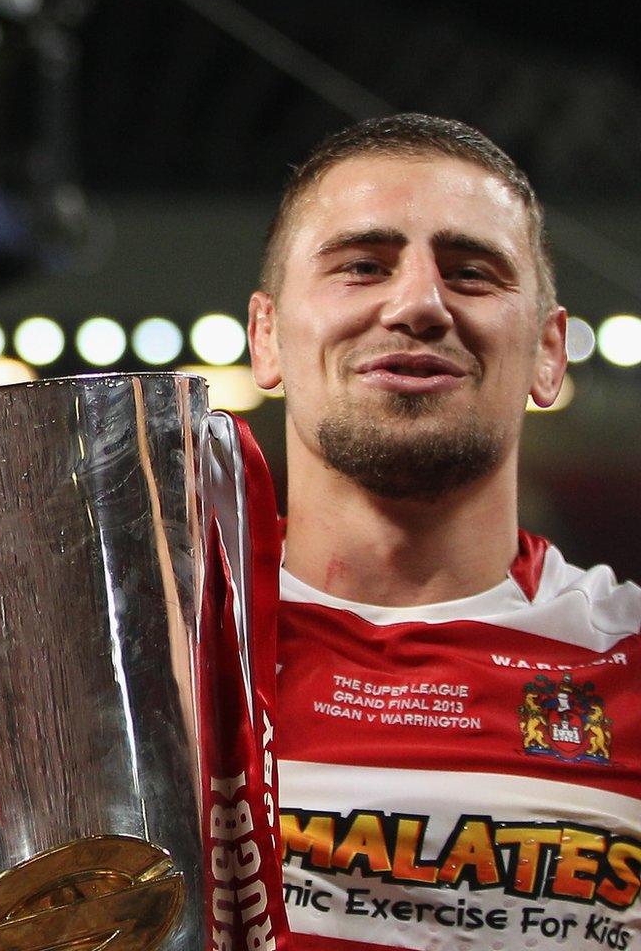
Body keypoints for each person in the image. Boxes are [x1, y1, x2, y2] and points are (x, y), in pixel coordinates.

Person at [247, 114, 641, 949]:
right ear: (267, 337)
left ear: (547, 351)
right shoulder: (142, 662)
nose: (419, 303)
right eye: (362, 266)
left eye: (471, 272)